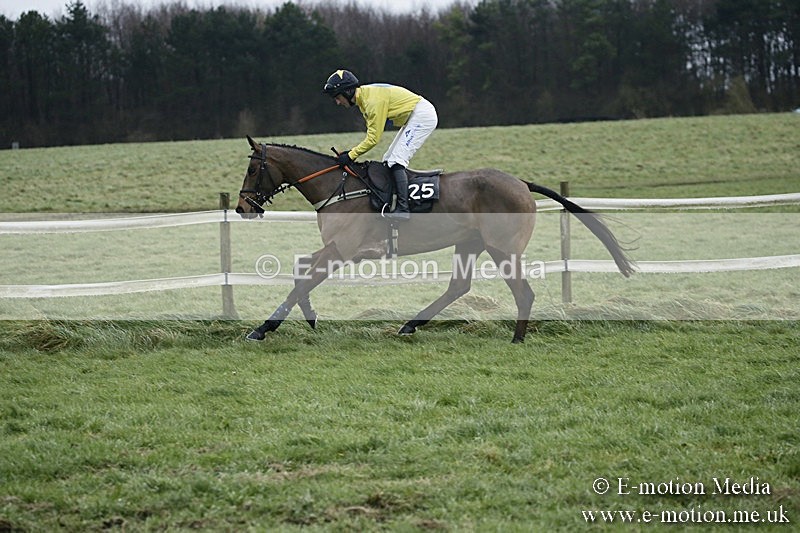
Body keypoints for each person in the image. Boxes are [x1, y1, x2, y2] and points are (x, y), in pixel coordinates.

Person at [323, 69, 438, 221]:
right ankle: (394, 202)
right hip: (414, 115)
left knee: (396, 160)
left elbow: (373, 139)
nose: (337, 102)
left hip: (422, 116)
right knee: (388, 159)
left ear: (348, 92)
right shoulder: (364, 98)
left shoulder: (371, 102)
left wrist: (350, 155)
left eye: (338, 97)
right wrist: (350, 154)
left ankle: (403, 208)